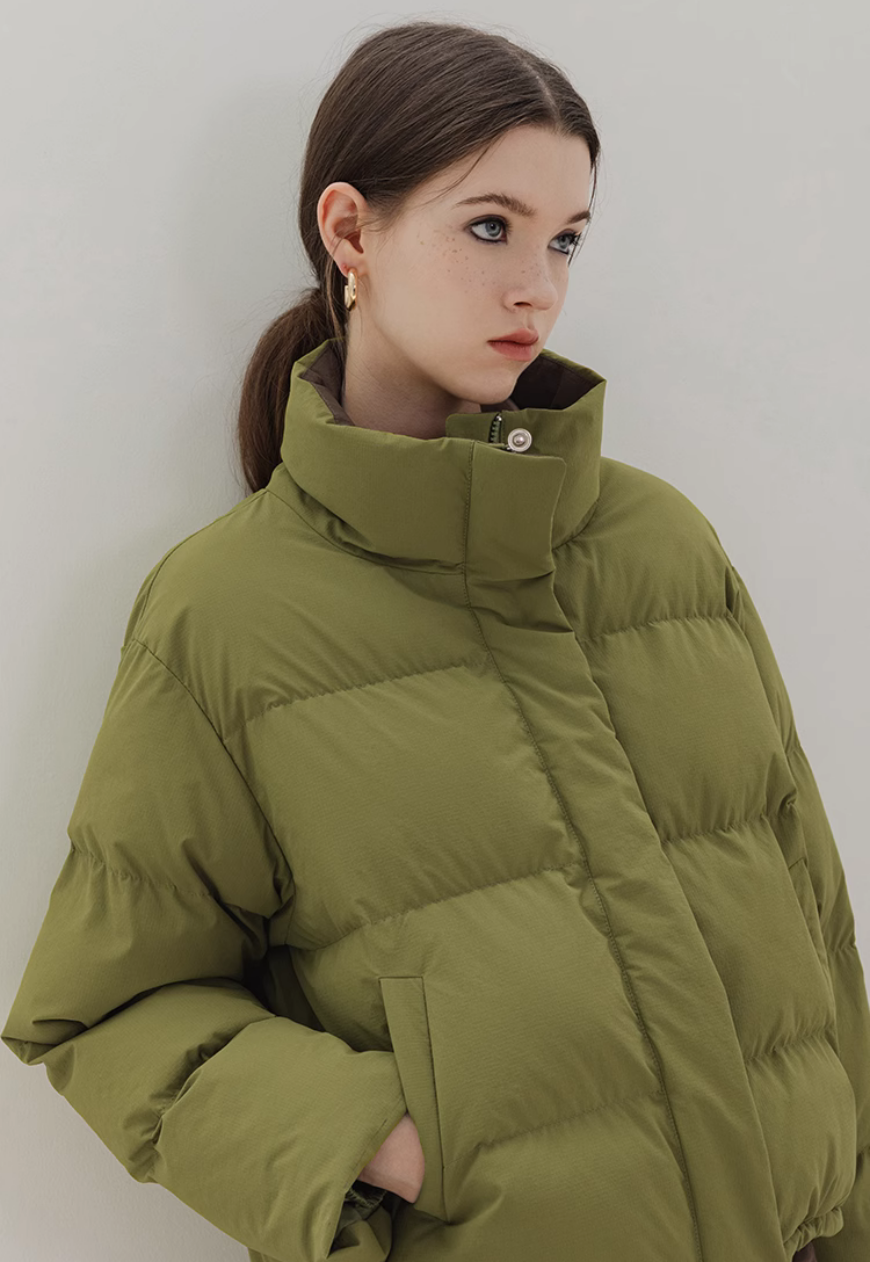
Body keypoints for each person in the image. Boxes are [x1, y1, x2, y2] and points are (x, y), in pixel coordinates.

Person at [2, 17, 866, 1262]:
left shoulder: (664, 548)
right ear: (351, 231)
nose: (538, 285)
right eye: (490, 226)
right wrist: (392, 1142)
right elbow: (107, 1004)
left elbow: (819, 932)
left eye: (566, 237)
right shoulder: (228, 614)